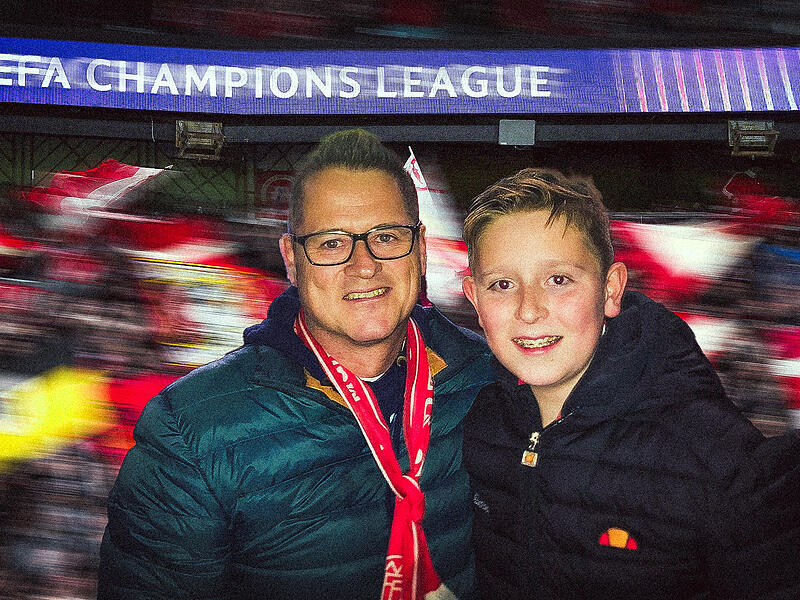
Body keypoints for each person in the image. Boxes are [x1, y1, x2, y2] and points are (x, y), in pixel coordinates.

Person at [97, 129, 493, 600]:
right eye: (330, 244)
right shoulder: (191, 433)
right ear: (291, 258)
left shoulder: (487, 377)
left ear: (421, 248)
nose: (363, 265)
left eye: (386, 237)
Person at [460, 168, 800, 599]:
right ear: (473, 297)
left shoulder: (718, 460)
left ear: (611, 290)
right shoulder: (476, 421)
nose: (529, 310)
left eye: (558, 280)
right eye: (503, 284)